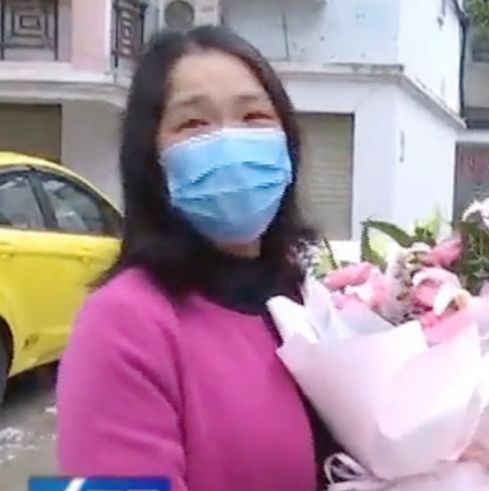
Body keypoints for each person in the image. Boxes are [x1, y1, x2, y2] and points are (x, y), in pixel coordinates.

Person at [56, 26, 336, 491]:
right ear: (151, 160)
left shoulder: (307, 301)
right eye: (194, 124)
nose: (231, 143)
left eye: (254, 116)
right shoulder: (121, 323)